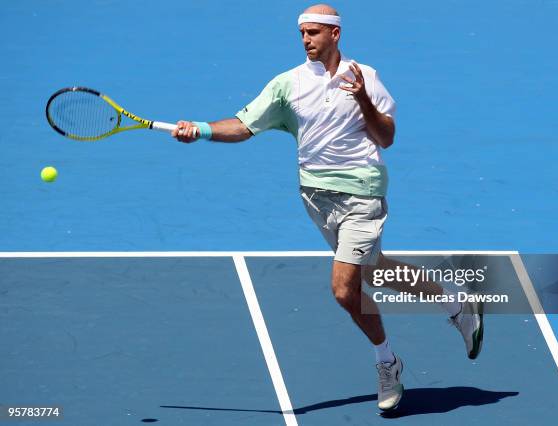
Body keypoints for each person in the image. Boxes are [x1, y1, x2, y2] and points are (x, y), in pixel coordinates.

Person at [172, 4, 484, 412]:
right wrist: (202, 131)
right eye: (302, 33)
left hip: (361, 195)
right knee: (375, 270)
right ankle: (457, 304)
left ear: (335, 34)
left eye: (315, 33)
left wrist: (362, 101)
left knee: (343, 289)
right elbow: (244, 126)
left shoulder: (365, 77)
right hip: (315, 198)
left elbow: (385, 137)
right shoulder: (288, 84)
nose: (307, 40)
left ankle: (387, 362)